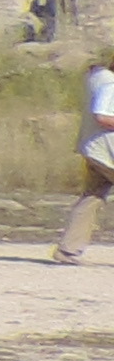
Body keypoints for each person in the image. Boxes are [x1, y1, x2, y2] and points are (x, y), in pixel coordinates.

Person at [63, 51, 114, 263]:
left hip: (92, 147)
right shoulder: (110, 84)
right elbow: (102, 115)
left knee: (92, 197)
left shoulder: (96, 78)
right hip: (106, 150)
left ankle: (68, 248)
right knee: (92, 196)